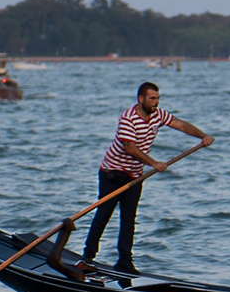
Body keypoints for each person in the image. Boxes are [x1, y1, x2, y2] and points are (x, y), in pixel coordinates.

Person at [84, 80, 213, 276]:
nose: (156, 102)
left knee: (129, 219)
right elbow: (130, 148)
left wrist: (202, 136)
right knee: (103, 215)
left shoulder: (157, 115)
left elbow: (180, 124)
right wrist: (154, 163)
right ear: (141, 98)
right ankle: (87, 257)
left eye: (158, 99)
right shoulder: (128, 118)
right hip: (113, 173)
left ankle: (125, 261)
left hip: (134, 175)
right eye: (152, 99)